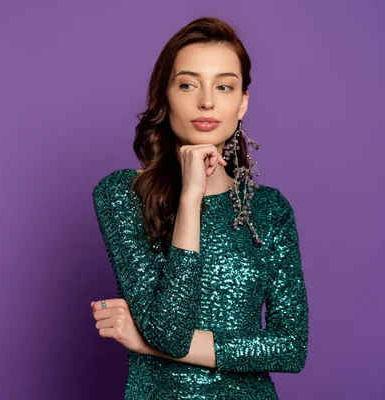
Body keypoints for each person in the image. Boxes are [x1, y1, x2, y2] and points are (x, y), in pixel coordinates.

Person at [90, 17, 309, 399]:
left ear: (242, 103)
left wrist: (143, 342)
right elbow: (170, 331)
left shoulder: (270, 209)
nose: (206, 101)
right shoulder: (122, 194)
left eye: (224, 86)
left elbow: (290, 347)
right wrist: (191, 197)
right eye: (188, 84)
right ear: (165, 95)